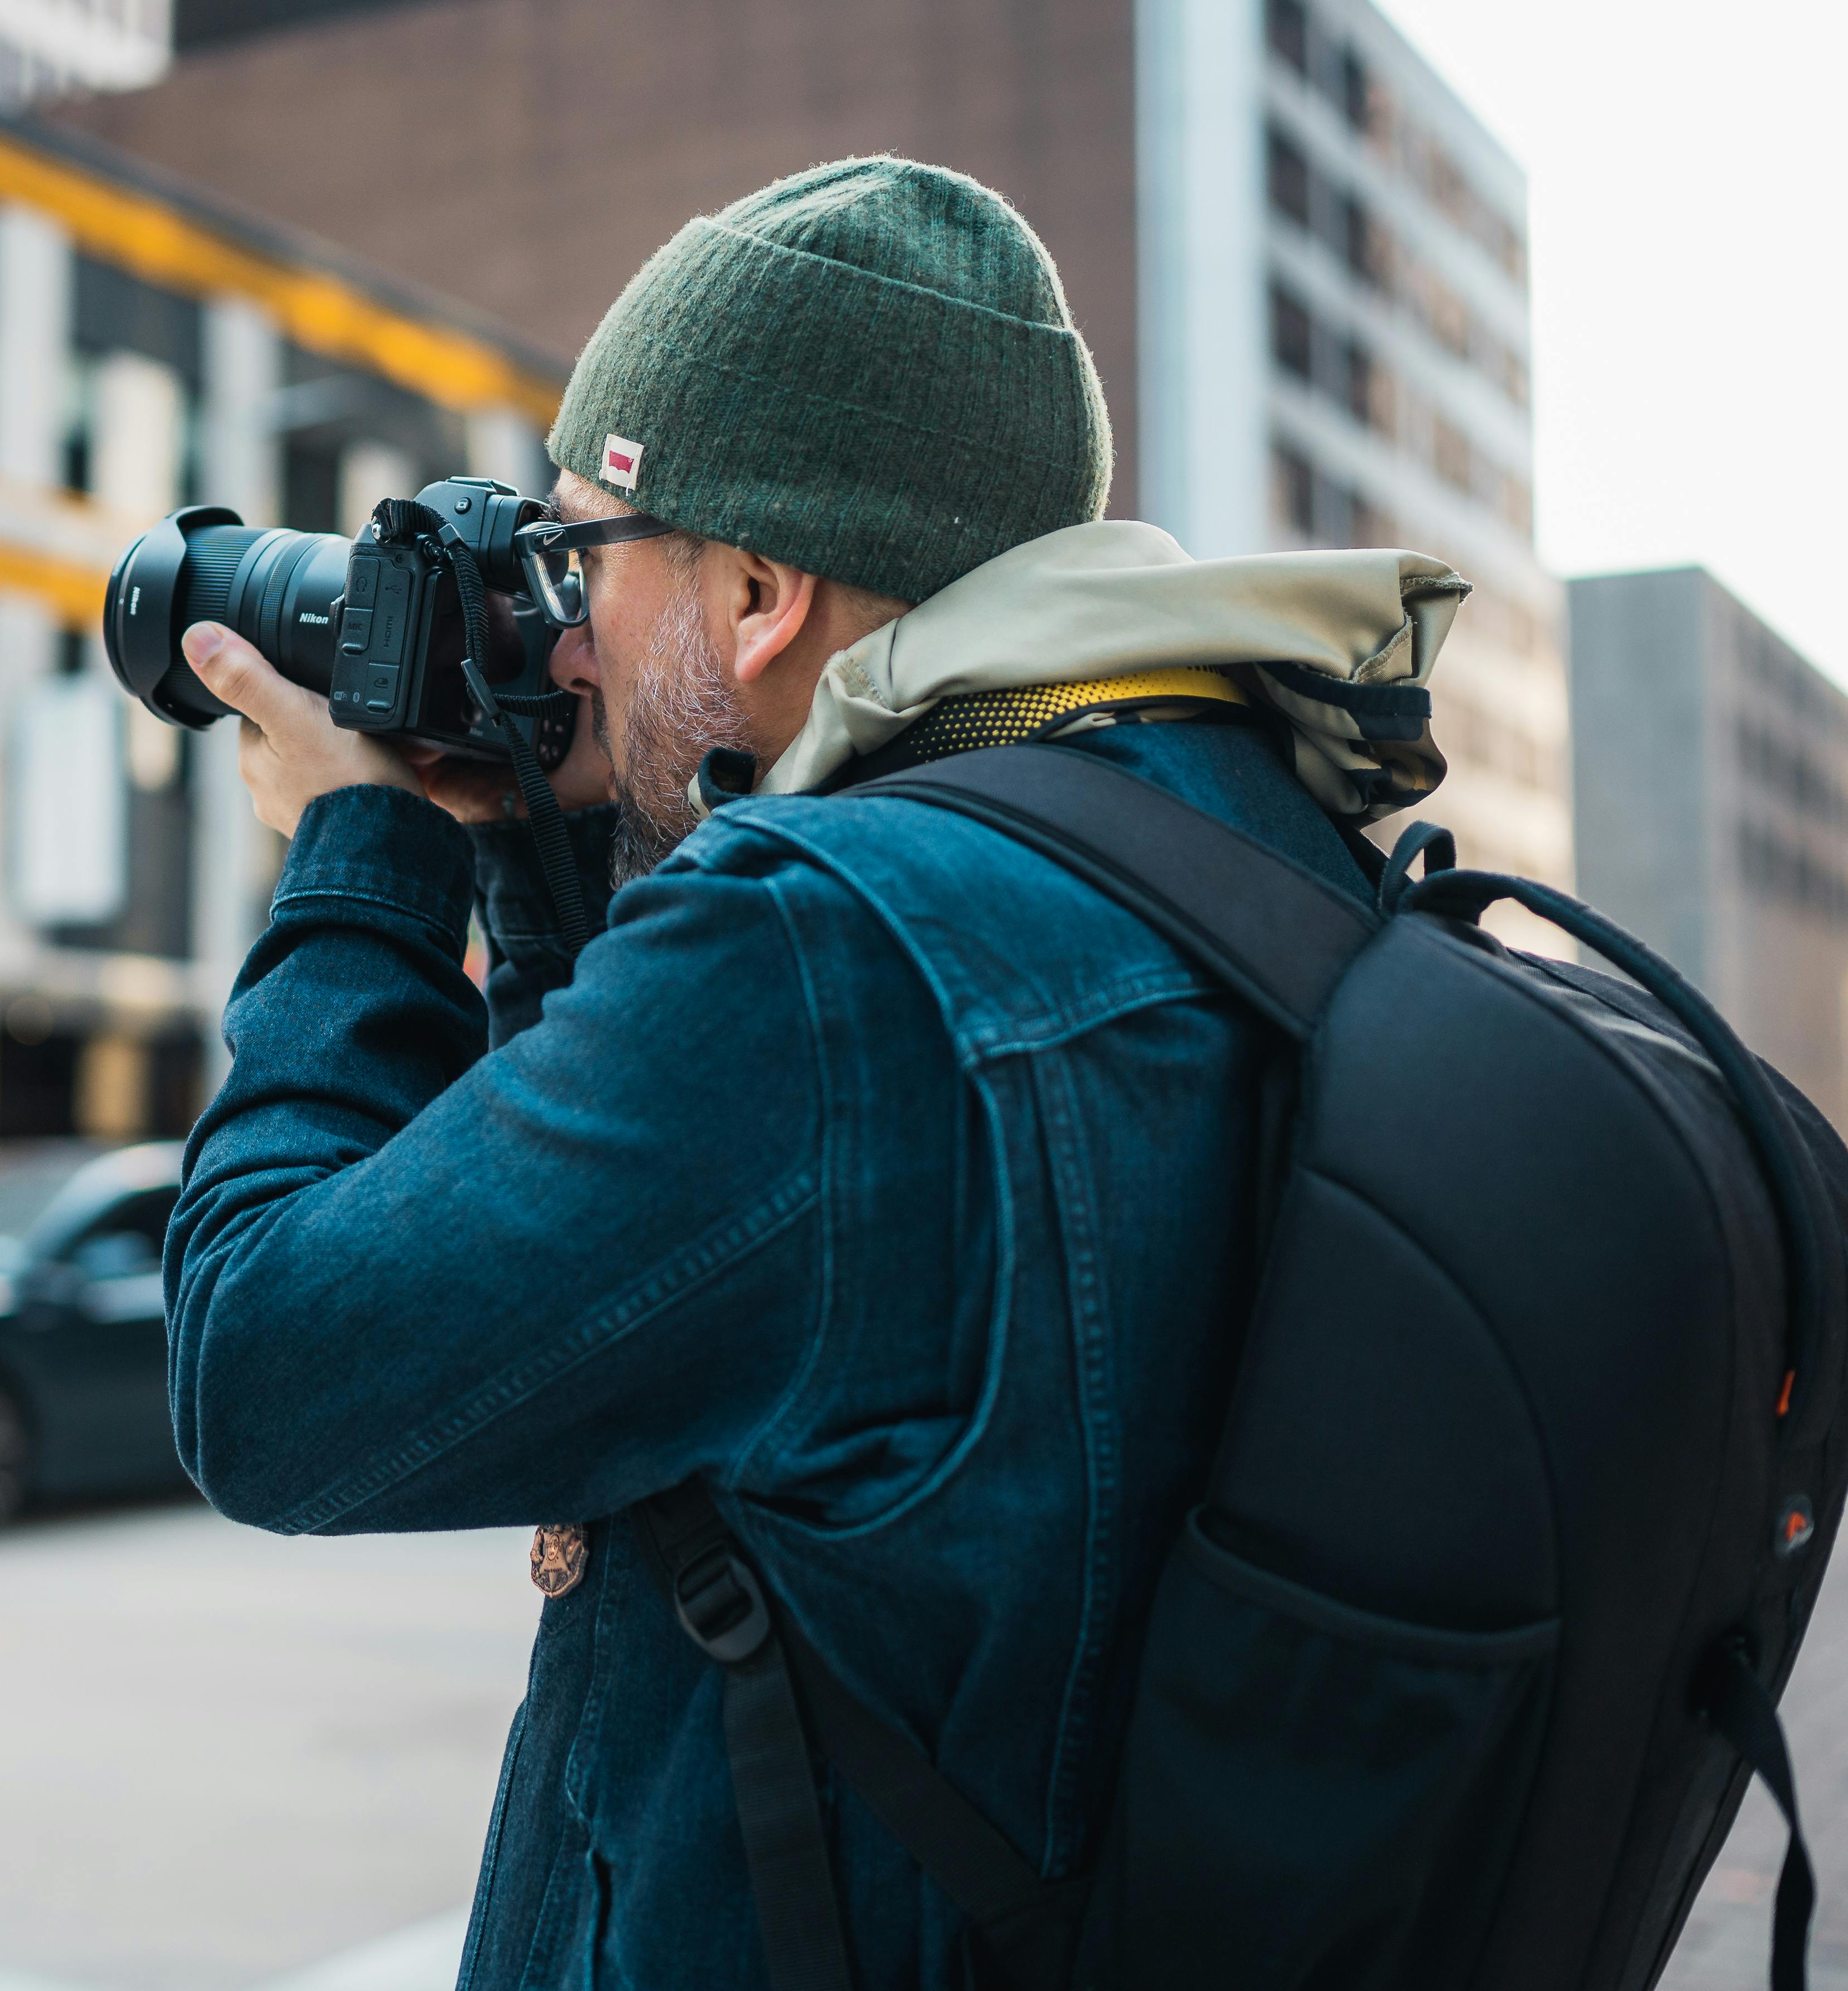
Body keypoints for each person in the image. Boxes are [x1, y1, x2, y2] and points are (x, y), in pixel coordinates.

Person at [164, 159, 1463, 1987]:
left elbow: (266, 1375)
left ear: (760, 592)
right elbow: (661, 1285)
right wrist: (532, 850)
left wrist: (356, 852)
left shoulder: (827, 949)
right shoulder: (1236, 844)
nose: (557, 632)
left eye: (581, 559)